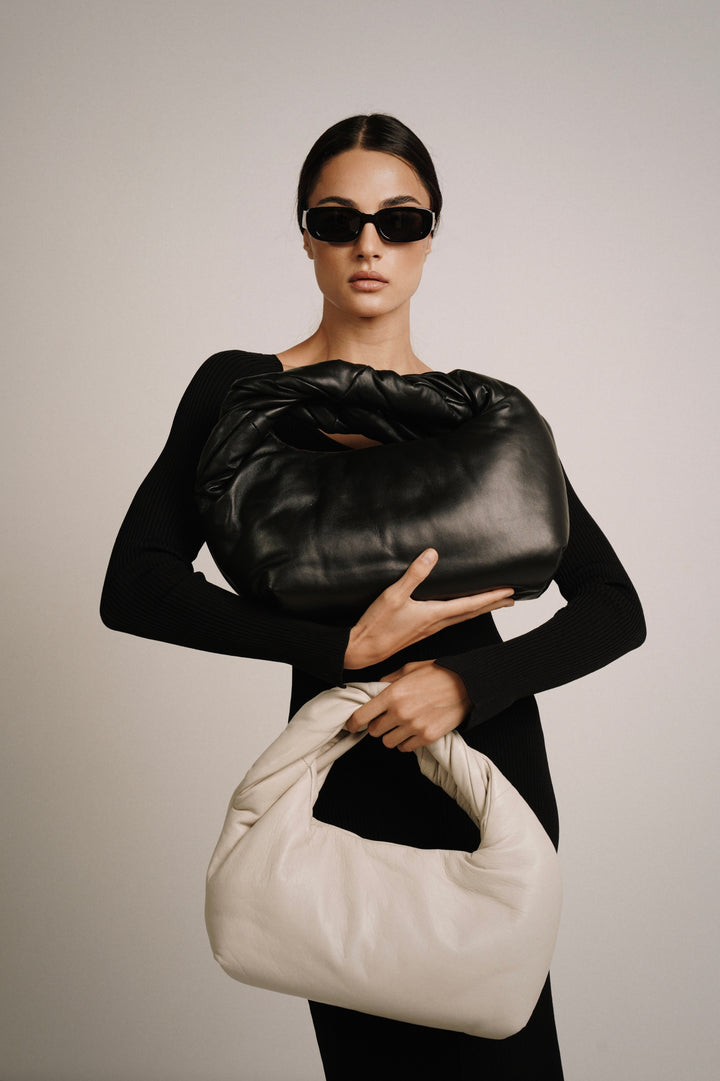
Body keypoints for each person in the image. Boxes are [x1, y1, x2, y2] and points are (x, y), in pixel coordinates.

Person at [101, 113, 646, 1080]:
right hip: (343, 770)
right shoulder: (242, 393)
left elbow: (613, 604)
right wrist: (340, 652)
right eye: (338, 218)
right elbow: (135, 584)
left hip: (483, 764)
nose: (368, 244)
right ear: (305, 235)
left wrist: (468, 685)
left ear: (431, 235)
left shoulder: (481, 415)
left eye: (399, 221)